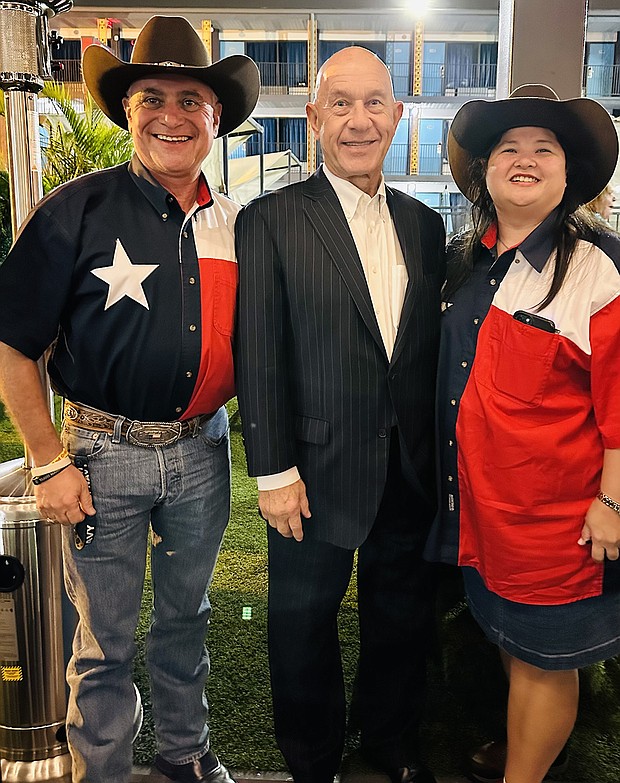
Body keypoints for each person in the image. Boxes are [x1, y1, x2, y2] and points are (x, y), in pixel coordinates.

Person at [0, 16, 259, 783]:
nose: (171, 115)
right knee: (104, 636)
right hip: (98, 456)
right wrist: (48, 462)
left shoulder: (237, 224)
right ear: (127, 110)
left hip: (202, 453)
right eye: (152, 96)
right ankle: (102, 771)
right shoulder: (74, 211)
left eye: (191, 100)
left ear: (216, 118)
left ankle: (184, 754)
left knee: (189, 619)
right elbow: (14, 344)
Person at [234, 46, 446, 783]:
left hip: (407, 471)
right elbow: (258, 353)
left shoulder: (424, 225)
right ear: (315, 116)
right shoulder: (270, 220)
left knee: (399, 620)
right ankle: (314, 761)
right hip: (311, 471)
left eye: (375, 103)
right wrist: (272, 471)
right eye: (343, 104)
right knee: (300, 628)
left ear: (397, 114)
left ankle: (387, 745)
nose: (360, 120)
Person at [427, 84, 620, 783]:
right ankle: (524, 747)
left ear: (571, 176)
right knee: (513, 645)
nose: (525, 158)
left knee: (544, 661)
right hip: (482, 511)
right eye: (508, 146)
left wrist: (614, 502)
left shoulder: (597, 267)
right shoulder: (466, 262)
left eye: (546, 147)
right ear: (482, 171)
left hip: (559, 521)